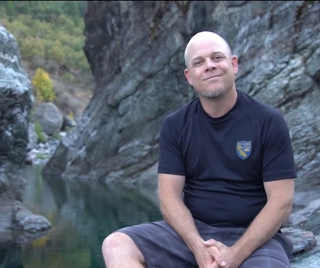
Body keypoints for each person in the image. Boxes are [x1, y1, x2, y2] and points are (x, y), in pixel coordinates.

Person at [101, 31, 296, 268]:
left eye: (217, 58)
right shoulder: (176, 125)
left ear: (233, 64)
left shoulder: (268, 121)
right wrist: (197, 247)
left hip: (256, 237)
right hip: (192, 232)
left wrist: (234, 254)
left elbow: (281, 201)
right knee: (116, 245)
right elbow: (169, 196)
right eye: (199, 62)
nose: (209, 66)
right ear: (189, 76)